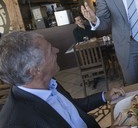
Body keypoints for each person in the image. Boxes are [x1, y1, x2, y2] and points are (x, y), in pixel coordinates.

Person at [0, 31, 128, 128]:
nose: (57, 50)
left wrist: (104, 96)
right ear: (35, 70)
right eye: (50, 50)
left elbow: (71, 106)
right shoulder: (16, 122)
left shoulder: (48, 82)